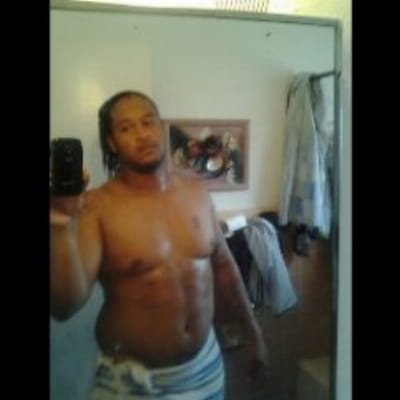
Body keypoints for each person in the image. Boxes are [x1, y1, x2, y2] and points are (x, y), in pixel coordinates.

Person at [50, 90, 268, 400]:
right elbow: (64, 307)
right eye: (126, 128)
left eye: (148, 122)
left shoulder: (196, 191)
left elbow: (224, 267)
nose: (142, 134)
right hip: (135, 384)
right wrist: (60, 225)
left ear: (161, 126)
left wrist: (253, 331)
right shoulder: (96, 208)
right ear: (111, 142)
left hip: (206, 365)